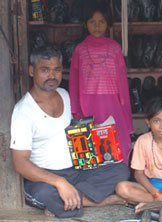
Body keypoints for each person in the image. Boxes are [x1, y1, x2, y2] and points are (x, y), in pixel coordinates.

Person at [10, 45, 130, 218]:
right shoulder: (24, 111)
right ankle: (96, 201)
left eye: (56, 70)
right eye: (45, 70)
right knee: (43, 194)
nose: (52, 76)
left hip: (76, 171)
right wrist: (59, 182)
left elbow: (71, 131)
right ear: (31, 71)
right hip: (46, 177)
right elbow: (20, 163)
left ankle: (70, 201)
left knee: (120, 170)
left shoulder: (64, 95)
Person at [69, 4, 133, 165]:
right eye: (92, 22)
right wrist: (76, 110)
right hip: (87, 105)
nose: (97, 26)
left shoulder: (115, 48)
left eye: (101, 22)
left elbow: (123, 83)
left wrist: (125, 110)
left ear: (108, 23)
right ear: (85, 24)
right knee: (90, 146)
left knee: (115, 143)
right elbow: (74, 82)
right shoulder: (80, 50)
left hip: (112, 105)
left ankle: (118, 180)